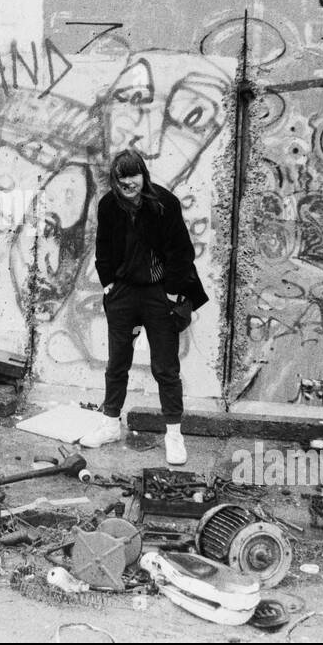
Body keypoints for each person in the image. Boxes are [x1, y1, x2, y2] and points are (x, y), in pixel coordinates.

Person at [81, 149, 208, 464]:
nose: (128, 184)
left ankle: (174, 435)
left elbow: (181, 251)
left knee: (165, 368)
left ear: (143, 175)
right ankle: (111, 424)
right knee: (117, 363)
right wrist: (108, 284)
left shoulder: (164, 203)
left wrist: (172, 292)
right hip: (123, 294)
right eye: (122, 179)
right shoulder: (109, 205)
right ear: (115, 180)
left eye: (133, 177)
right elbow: (102, 248)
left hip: (158, 294)